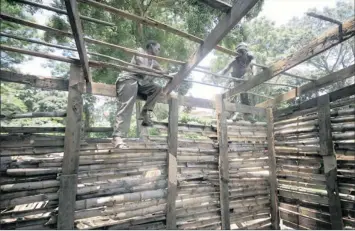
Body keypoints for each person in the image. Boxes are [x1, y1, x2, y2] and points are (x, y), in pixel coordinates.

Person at [112, 40, 169, 148]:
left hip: (140, 83)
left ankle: (145, 113)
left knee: (157, 88)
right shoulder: (140, 51)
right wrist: (159, 72)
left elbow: (163, 71)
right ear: (151, 46)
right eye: (158, 48)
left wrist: (166, 72)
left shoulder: (153, 62)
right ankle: (117, 137)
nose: (159, 51)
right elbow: (143, 68)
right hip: (128, 79)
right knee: (127, 105)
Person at [218, 42, 256, 122]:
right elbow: (225, 69)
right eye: (240, 53)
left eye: (243, 52)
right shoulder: (234, 60)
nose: (242, 55)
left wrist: (254, 75)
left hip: (243, 79)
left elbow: (254, 66)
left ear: (246, 52)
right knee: (235, 95)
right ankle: (234, 114)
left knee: (244, 95)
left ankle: (247, 115)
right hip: (234, 79)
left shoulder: (250, 58)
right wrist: (219, 74)